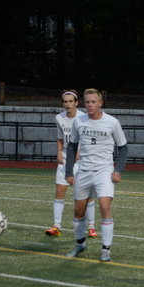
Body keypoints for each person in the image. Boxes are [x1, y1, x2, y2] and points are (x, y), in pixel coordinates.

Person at [64, 88, 128, 261]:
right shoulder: (79, 121)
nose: (90, 105)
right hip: (84, 170)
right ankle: (80, 244)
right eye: (87, 102)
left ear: (100, 103)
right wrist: (69, 172)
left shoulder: (112, 122)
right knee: (78, 211)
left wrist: (118, 170)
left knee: (104, 206)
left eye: (93, 102)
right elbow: (72, 146)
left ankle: (106, 249)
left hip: (104, 171)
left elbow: (123, 148)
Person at [44, 90, 97, 238]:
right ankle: (56, 226)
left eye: (70, 101)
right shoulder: (59, 118)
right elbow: (60, 138)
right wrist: (59, 152)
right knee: (60, 191)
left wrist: (80, 153)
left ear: (76, 103)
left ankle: (91, 227)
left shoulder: (84, 118)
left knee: (87, 195)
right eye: (65, 102)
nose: (68, 104)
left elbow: (89, 139)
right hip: (66, 159)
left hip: (82, 161)